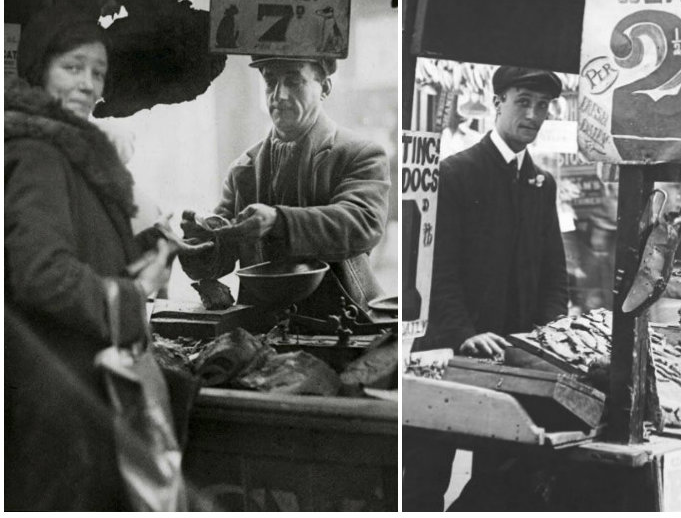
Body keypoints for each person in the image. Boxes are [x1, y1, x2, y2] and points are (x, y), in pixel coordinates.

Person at [4, 9, 180, 510]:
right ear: (41, 69)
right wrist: (131, 296)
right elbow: (42, 274)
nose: (87, 84)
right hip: (55, 393)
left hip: (77, 387)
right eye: (73, 67)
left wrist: (147, 253)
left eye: (97, 72)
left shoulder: (75, 150)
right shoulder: (36, 153)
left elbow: (84, 246)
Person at [404, 66, 569, 511]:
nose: (533, 114)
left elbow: (555, 271)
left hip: (513, 363)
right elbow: (435, 268)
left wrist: (547, 338)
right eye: (523, 102)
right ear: (497, 103)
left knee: (503, 480)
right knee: (423, 481)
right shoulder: (455, 174)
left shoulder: (542, 183)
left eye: (542, 106)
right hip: (450, 355)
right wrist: (463, 332)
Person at [179, 56, 390, 318]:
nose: (279, 95)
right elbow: (218, 258)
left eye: (293, 81)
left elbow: (364, 223)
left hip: (342, 318)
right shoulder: (243, 169)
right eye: (270, 82)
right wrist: (200, 241)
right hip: (262, 323)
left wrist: (279, 221)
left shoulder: (359, 153)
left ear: (324, 87)